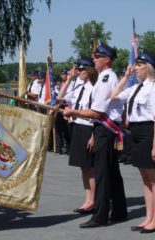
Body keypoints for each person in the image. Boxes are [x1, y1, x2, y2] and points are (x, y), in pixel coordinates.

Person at [63, 43, 127, 228]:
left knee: (102, 174)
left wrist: (74, 112)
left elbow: (96, 112)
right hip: (104, 129)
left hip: (104, 130)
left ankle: (100, 216)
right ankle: (120, 210)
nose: (93, 59)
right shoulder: (104, 78)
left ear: (106, 60)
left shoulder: (107, 79)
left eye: (97, 57)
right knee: (112, 172)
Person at [111, 51, 155, 233]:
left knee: (153, 179)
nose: (135, 68)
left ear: (149, 67)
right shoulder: (136, 87)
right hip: (135, 132)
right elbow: (114, 95)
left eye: (139, 65)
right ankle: (149, 217)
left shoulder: (153, 87)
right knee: (145, 179)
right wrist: (126, 76)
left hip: (148, 132)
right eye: (135, 65)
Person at [63, 57, 97, 214]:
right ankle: (88, 199)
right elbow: (60, 98)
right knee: (83, 168)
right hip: (77, 127)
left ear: (90, 70)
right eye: (78, 70)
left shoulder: (94, 88)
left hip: (89, 129)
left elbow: (97, 114)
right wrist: (69, 80)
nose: (79, 72)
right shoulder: (78, 86)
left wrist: (93, 135)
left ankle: (94, 200)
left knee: (90, 167)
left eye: (82, 70)